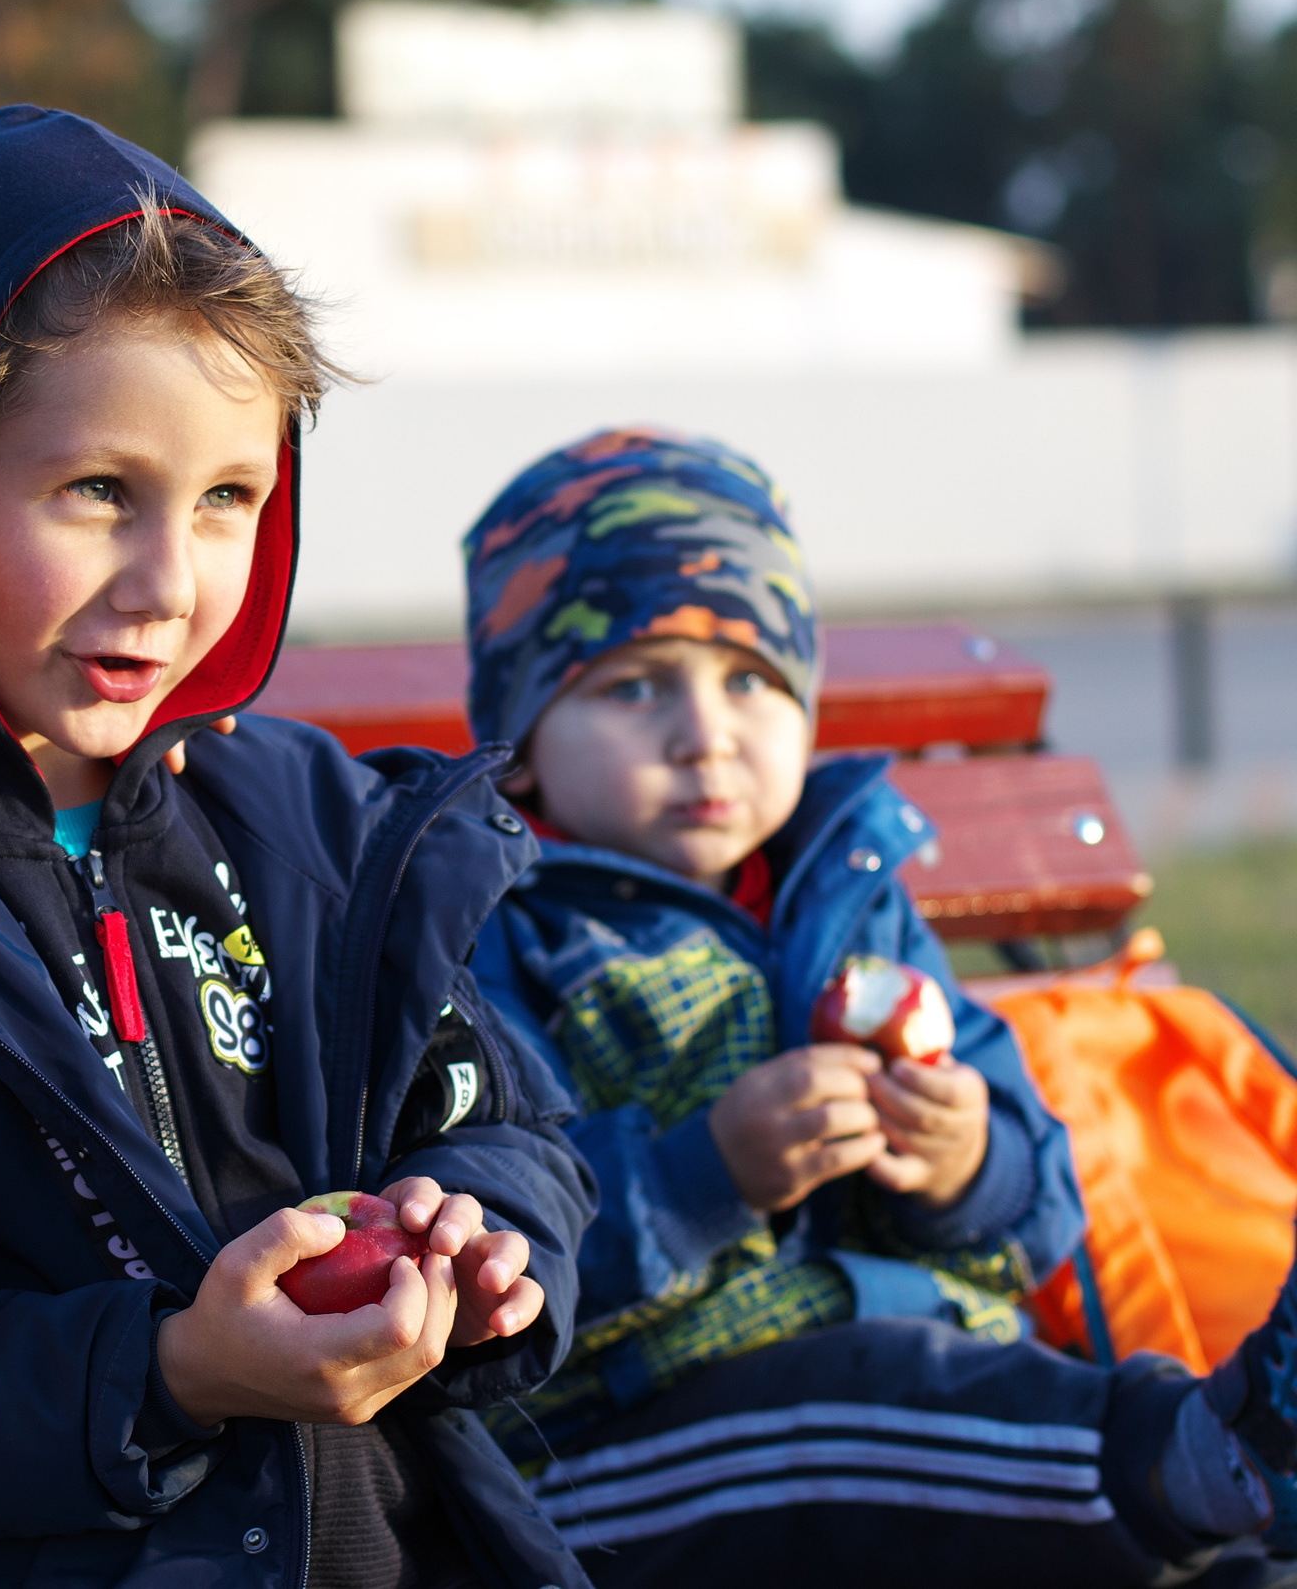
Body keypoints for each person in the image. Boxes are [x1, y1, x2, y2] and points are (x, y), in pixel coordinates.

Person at [0, 106, 599, 1589]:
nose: (170, 582)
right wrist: (178, 1368)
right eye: (100, 491)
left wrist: (482, 1247)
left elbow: (517, 1133)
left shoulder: (309, 827)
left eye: (228, 498)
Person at [460, 427, 1297, 1587]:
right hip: (620, 1456)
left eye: (751, 680)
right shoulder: (494, 931)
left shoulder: (854, 893)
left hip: (940, 1399)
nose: (705, 734)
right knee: (871, 1414)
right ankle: (1225, 1458)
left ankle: (1226, 1485)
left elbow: (1043, 1206)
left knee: (1176, 1547)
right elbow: (476, 1255)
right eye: (632, 685)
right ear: (519, 751)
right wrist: (710, 1176)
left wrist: (962, 1163)